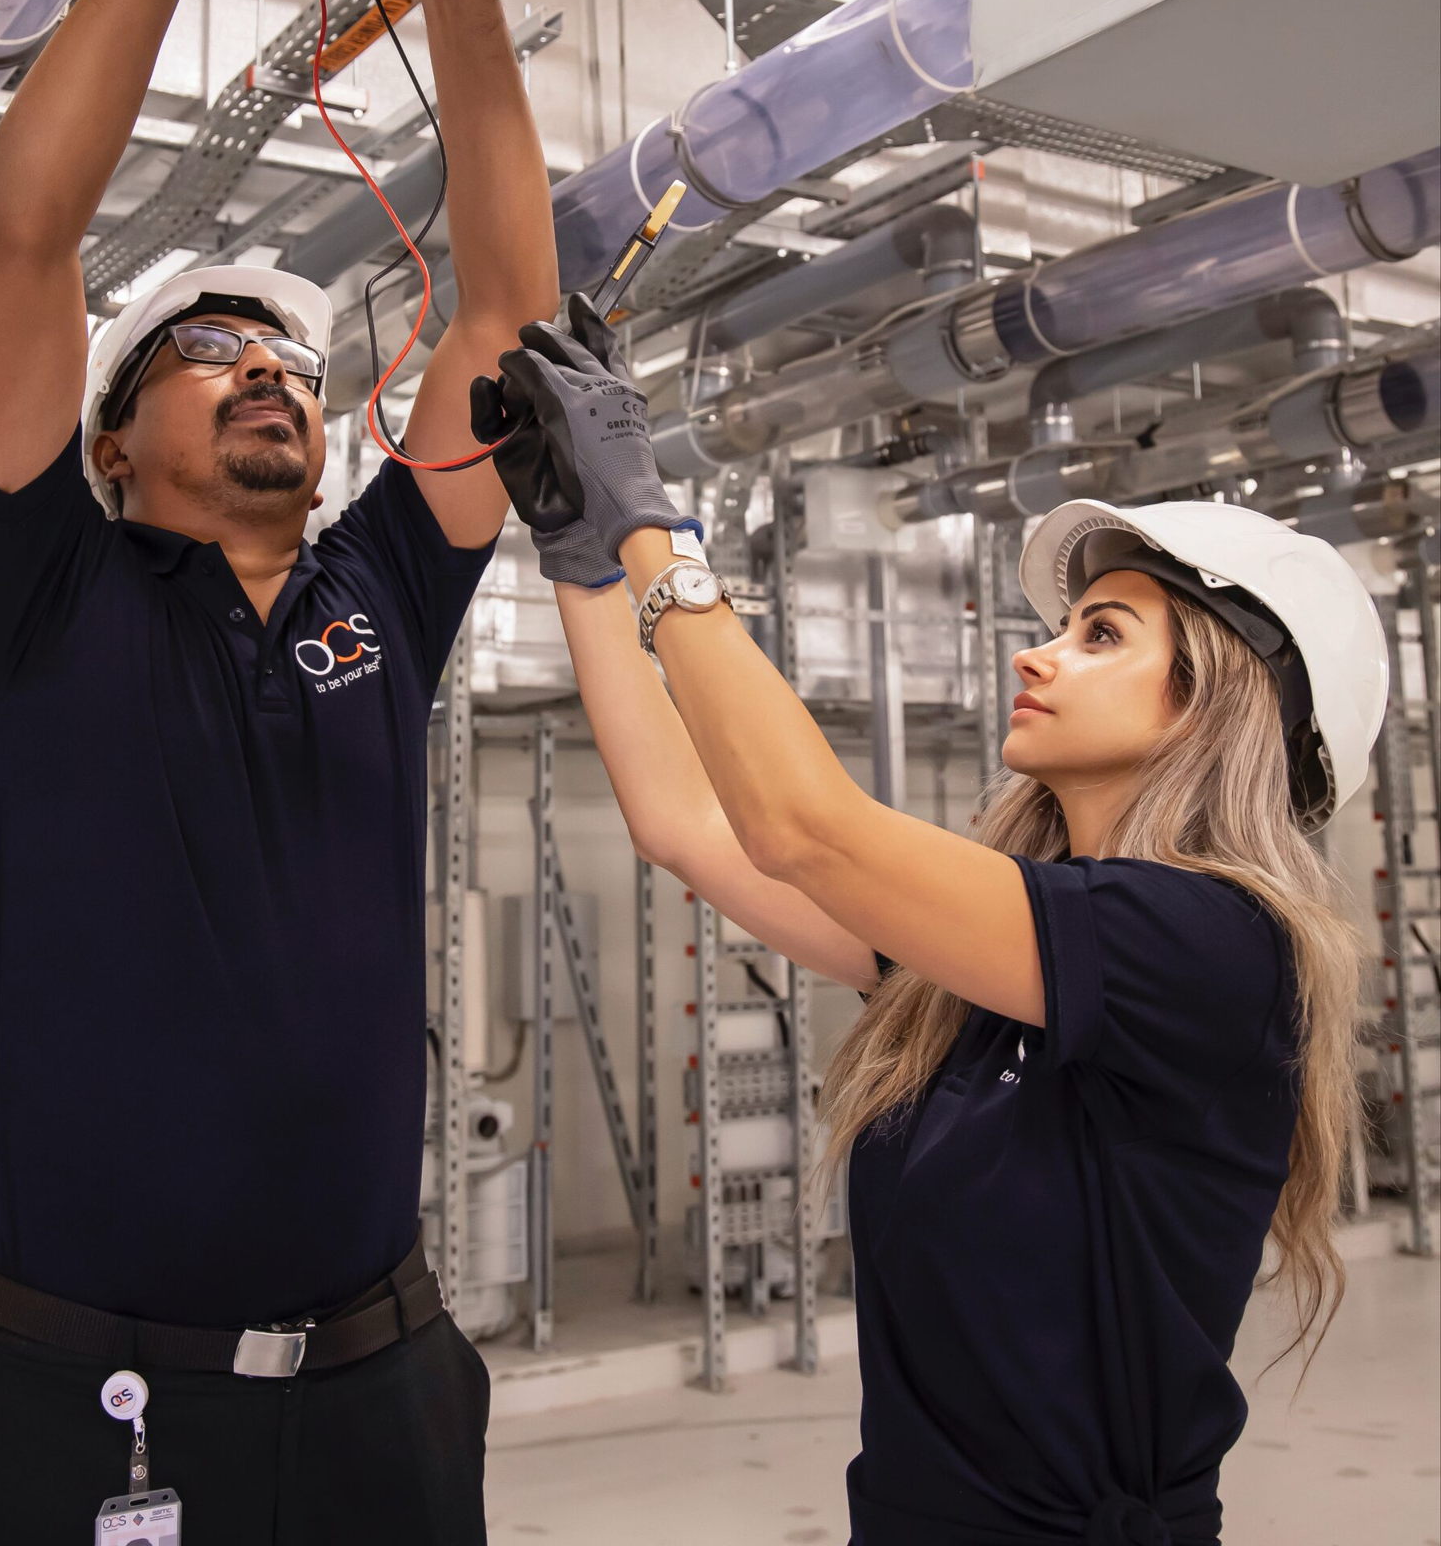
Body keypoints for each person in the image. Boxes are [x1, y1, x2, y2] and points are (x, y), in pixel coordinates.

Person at [0, 0, 558, 1543]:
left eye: (286, 361)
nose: (268, 365)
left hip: (383, 1388)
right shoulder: (48, 595)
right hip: (83, 1400)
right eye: (207, 351)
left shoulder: (379, 599)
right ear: (108, 445)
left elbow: (504, 306)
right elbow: (24, 236)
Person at [472, 298, 1386, 1546]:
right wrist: (580, 544)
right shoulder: (1002, 955)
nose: (1037, 655)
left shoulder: (1215, 946)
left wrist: (652, 518)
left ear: (1214, 701)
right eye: (1061, 625)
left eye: (1100, 633)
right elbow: (689, 821)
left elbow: (806, 826)